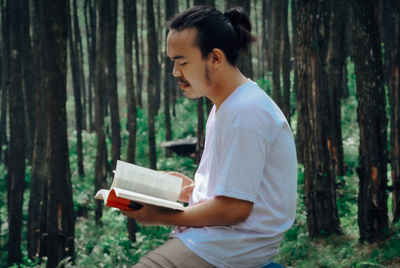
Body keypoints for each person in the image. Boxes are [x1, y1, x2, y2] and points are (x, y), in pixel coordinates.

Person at [121, 6, 297, 268]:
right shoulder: (227, 107)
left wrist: (161, 216)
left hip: (229, 248)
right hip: (216, 241)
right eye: (173, 62)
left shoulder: (244, 112)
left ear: (215, 58)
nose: (175, 73)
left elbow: (235, 209)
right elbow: (242, 190)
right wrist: (193, 190)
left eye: (182, 62)